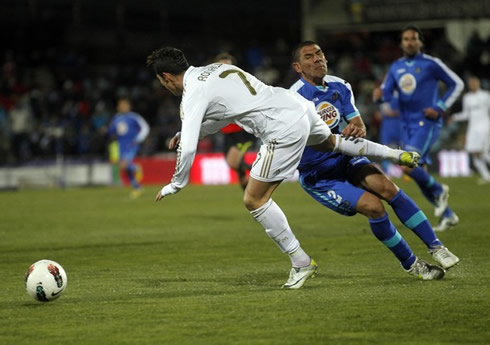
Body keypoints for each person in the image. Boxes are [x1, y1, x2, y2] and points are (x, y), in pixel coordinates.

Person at [147, 46, 420, 289]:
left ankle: (301, 262)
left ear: (166, 78)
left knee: (254, 198)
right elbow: (223, 114)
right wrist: (191, 132)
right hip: (297, 106)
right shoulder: (216, 69)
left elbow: (190, 147)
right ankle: (395, 155)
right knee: (331, 142)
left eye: (163, 83)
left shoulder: (193, 92)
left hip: (280, 128)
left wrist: (176, 183)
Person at [291, 41, 458, 279]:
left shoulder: (340, 86)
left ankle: (436, 246)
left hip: (346, 158)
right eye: (309, 57)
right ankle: (412, 264)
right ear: (298, 67)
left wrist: (357, 129)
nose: (317, 59)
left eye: (319, 53)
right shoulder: (293, 98)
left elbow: (359, 125)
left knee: (388, 188)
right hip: (320, 176)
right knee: (375, 208)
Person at [373, 25, 464, 232]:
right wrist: (380, 97)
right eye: (405, 39)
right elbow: (387, 94)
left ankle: (440, 189)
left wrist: (440, 107)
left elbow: (457, 84)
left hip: (426, 121)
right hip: (406, 125)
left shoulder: (432, 64)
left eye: (413, 39)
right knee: (417, 172)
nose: (409, 42)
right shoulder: (396, 67)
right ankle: (448, 215)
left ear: (420, 42)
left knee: (407, 166)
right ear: (401, 43)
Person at [213, 53, 256, 189]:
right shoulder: (213, 87)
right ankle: (250, 192)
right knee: (234, 165)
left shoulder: (242, 83)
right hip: (226, 131)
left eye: (228, 66)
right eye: (222, 66)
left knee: (234, 161)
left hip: (241, 130)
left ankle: (258, 172)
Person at [451, 76, 490, 184]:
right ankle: (486, 176)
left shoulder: (486, 96)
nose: (472, 85)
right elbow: (466, 114)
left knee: (482, 151)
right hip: (473, 127)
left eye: (474, 83)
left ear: (478, 84)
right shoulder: (467, 97)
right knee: (474, 152)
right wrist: (454, 117)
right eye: (470, 84)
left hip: (484, 126)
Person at [107, 98, 149, 198]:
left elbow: (145, 128)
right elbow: (111, 131)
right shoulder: (116, 118)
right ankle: (137, 188)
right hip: (121, 145)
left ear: (129, 106)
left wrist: (138, 138)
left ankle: (136, 167)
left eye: (125, 105)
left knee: (124, 166)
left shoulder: (133, 117)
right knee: (125, 169)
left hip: (131, 144)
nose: (123, 107)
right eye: (121, 105)